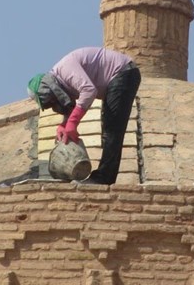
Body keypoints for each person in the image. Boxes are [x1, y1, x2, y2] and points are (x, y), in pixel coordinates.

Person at [28, 47, 141, 185]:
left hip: (123, 73)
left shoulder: (65, 70)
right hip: (118, 78)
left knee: (112, 130)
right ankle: (104, 176)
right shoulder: (62, 82)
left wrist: (73, 123)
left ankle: (103, 178)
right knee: (110, 128)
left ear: (51, 89)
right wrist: (64, 125)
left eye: (51, 100)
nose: (53, 104)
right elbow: (70, 104)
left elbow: (88, 91)